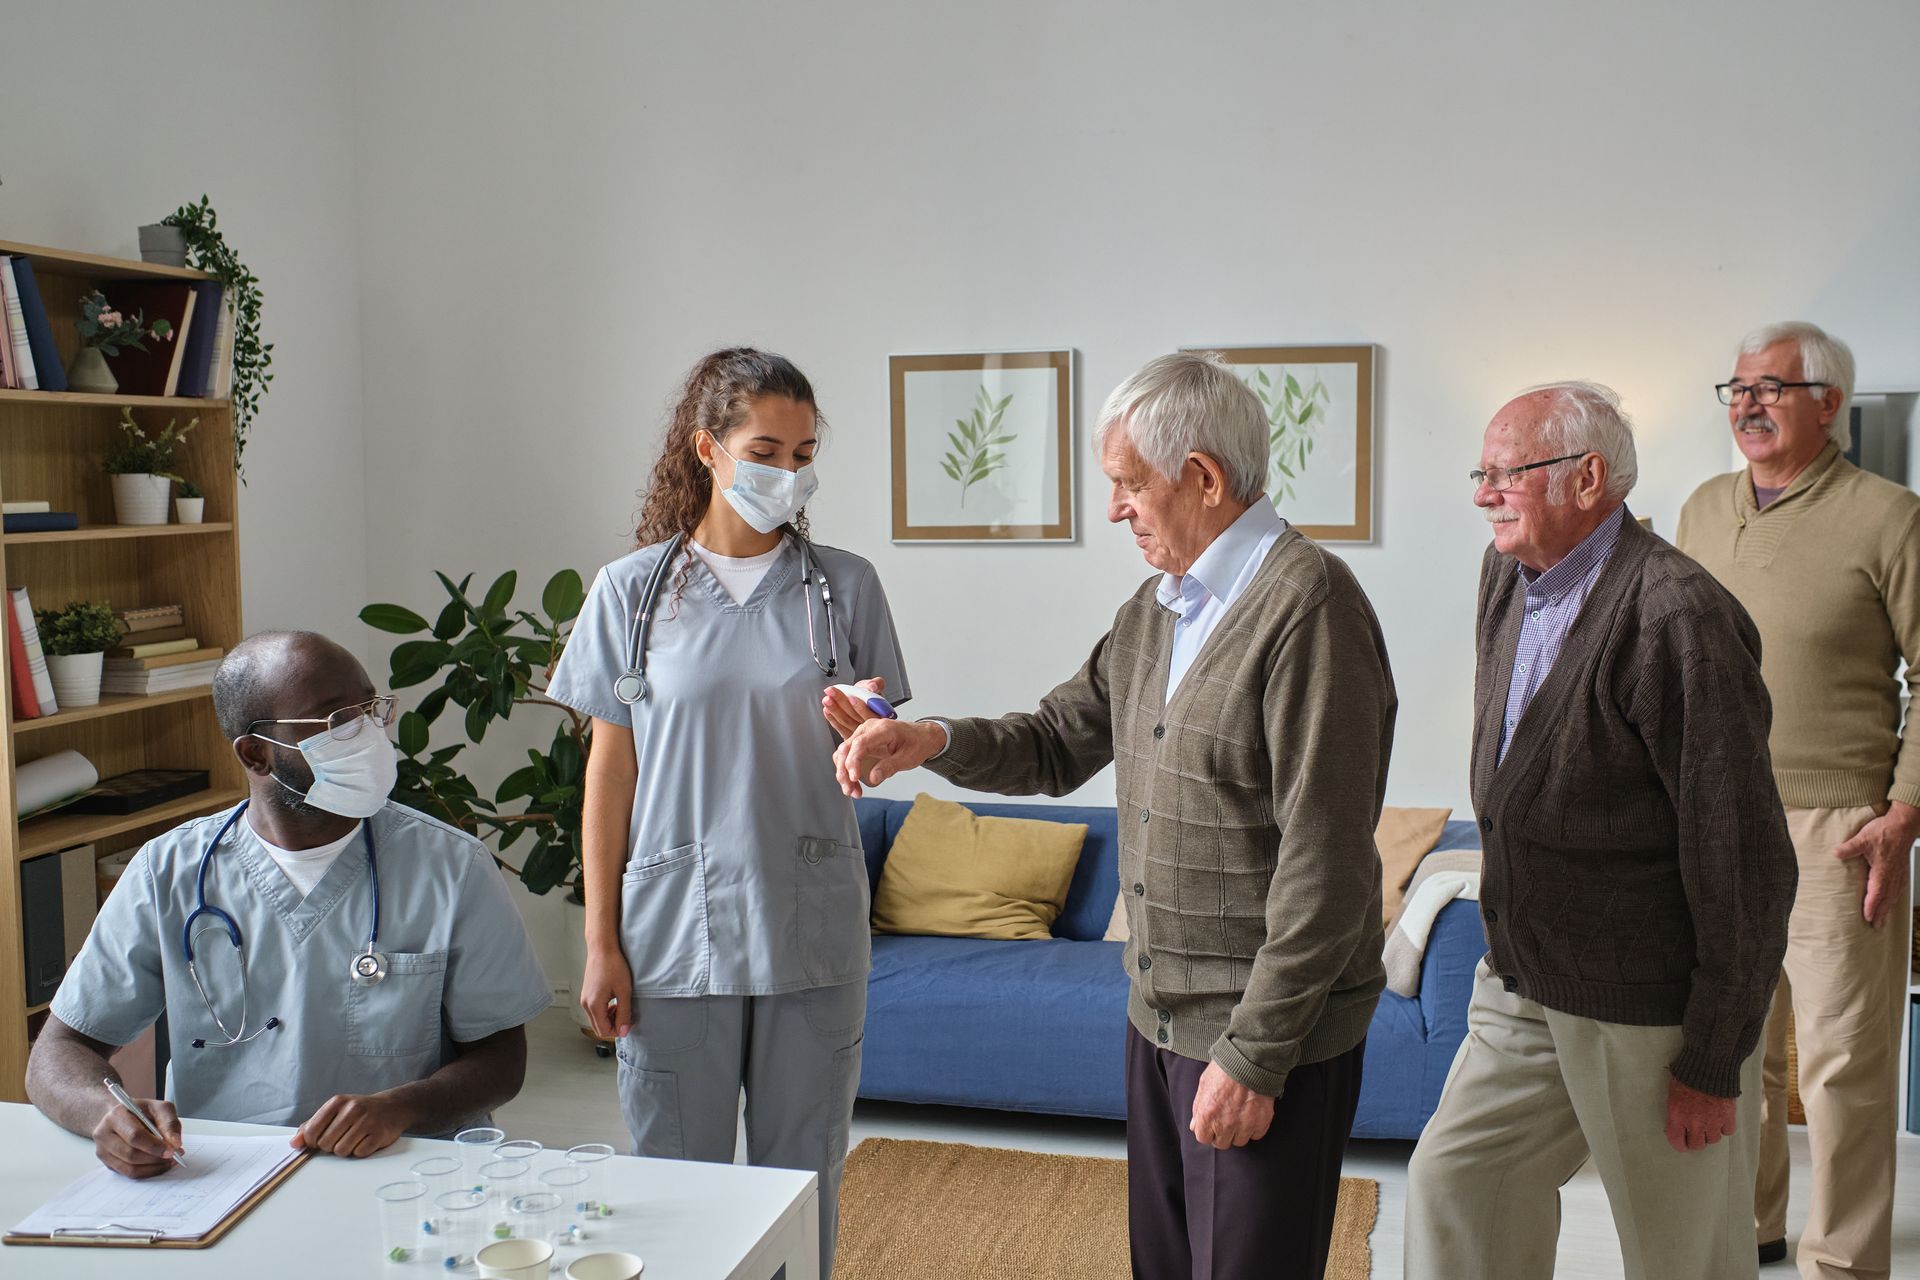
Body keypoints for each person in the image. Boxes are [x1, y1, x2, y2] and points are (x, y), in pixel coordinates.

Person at [830, 350, 1394, 1280]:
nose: (1116, 509)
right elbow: (1057, 740)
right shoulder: (1158, 609)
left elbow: (1326, 866)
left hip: (1262, 1038)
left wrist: (1254, 1059)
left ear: (1203, 477)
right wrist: (930, 740)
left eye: (1130, 485)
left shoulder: (1312, 608)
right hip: (1161, 1021)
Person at [1404, 382, 1797, 1280]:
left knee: (1680, 1252)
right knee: (1456, 1182)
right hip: (1524, 979)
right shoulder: (1504, 575)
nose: (1482, 494)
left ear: (1589, 479)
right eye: (1481, 472)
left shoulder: (1678, 618)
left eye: (1507, 474)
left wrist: (1712, 1054)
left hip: (1647, 1009)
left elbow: (1743, 860)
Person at [546, 347, 909, 1278]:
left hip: (811, 928)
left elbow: (876, 743)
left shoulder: (847, 586)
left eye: (803, 452)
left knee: (803, 1181)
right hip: (674, 934)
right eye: (765, 449)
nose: (786, 472)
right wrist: (599, 940)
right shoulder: (630, 594)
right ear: (708, 449)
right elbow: (609, 775)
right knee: (677, 1190)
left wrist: (866, 732)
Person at [25, 631, 551, 1178]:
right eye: (336, 720)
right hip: (223, 1176)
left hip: (407, 1169)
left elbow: (501, 1061)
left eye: (370, 708)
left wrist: (402, 1106)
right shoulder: (168, 872)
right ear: (256, 753)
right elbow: (58, 1053)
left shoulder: (450, 866)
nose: (367, 733)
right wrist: (108, 1115)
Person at [1675, 322, 1920, 1278]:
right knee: (1730, 1047)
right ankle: (1748, 1231)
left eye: (1771, 388)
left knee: (1842, 1065)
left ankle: (1844, 1260)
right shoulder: (1698, 510)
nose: (1746, 404)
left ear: (1830, 404)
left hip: (1841, 828)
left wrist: (1902, 811)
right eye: (1736, 388)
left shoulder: (1890, 515)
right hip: (1717, 816)